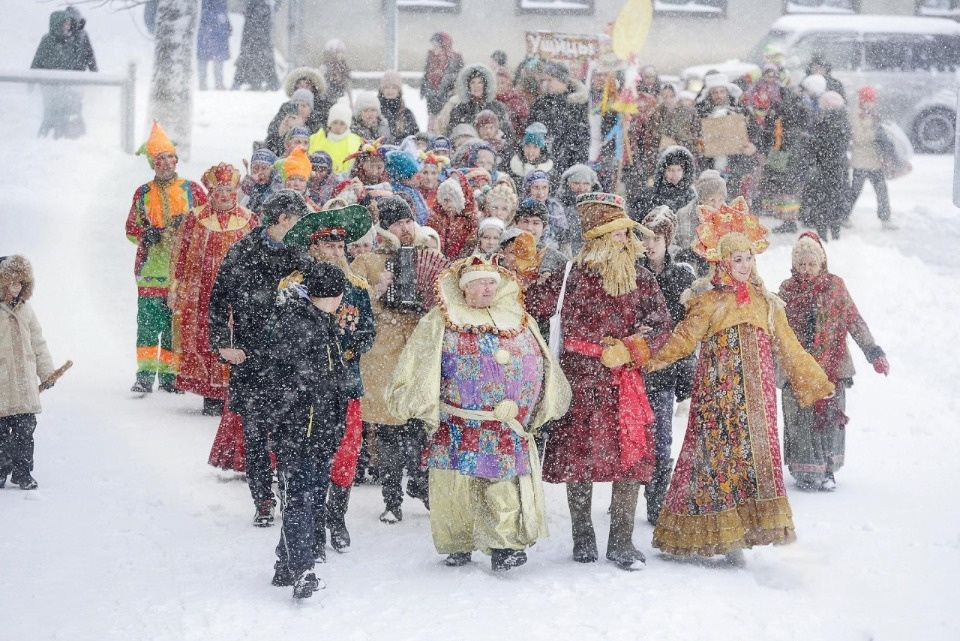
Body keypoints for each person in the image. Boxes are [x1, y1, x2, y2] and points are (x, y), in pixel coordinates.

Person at [644, 198, 833, 565]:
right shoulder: (709, 302)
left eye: (748, 258)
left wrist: (815, 381)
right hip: (718, 398)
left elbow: (790, 348)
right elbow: (682, 340)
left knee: (751, 462)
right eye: (737, 259)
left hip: (758, 402)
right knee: (716, 461)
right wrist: (648, 360)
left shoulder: (767, 303)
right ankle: (718, 535)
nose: (745, 265)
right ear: (723, 263)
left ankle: (743, 532)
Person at [386, 255, 571, 570]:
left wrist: (536, 405)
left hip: (503, 425)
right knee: (457, 485)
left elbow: (542, 361)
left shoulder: (518, 318)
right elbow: (418, 363)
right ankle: (459, 543)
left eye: (491, 283)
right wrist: (415, 404)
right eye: (480, 283)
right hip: (458, 422)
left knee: (502, 484)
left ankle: (504, 545)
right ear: (465, 288)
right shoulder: (440, 320)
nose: (488, 288)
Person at [525, 193, 672, 571]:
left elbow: (661, 326)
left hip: (623, 382)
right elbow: (531, 304)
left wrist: (631, 348)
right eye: (619, 233)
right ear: (599, 239)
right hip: (580, 381)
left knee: (630, 461)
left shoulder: (641, 278)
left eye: (627, 233)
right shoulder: (571, 277)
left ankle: (621, 541)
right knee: (580, 461)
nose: (628, 240)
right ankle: (583, 536)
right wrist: (523, 273)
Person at [208, 190, 313, 526]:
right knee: (255, 435)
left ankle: (289, 496)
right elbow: (218, 300)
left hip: (293, 358)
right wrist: (223, 344)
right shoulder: (243, 250)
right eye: (298, 219)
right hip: (251, 357)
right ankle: (263, 500)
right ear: (283, 219)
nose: (301, 226)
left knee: (290, 435)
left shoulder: (302, 251)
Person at [284, 204, 376, 554]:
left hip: (346, 383)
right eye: (329, 245)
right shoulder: (295, 286)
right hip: (307, 386)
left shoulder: (357, 287)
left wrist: (346, 347)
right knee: (307, 453)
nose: (337, 252)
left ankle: (337, 517)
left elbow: (368, 331)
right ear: (314, 248)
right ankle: (306, 520)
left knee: (345, 454)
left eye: (341, 246)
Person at [262, 261, 348, 600]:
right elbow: (284, 382)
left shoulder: (322, 323)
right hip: (298, 431)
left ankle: (286, 563)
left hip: (320, 429)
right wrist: (288, 420)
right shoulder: (297, 324)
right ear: (331, 295)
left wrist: (334, 422)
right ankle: (302, 568)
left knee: (309, 496)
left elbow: (333, 381)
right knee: (299, 498)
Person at [350, 197, 439, 523]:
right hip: (382, 355)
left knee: (417, 426)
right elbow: (349, 307)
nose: (404, 228)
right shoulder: (367, 261)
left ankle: (418, 482)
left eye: (408, 221)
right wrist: (376, 291)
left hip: (416, 352)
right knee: (388, 429)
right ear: (385, 228)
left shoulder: (427, 256)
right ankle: (392, 499)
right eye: (397, 223)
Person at [779, 232, 889, 491]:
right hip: (798, 369)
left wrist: (873, 351)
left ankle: (827, 470)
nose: (806, 269)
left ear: (822, 263)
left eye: (811, 263)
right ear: (794, 264)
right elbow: (776, 328)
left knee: (828, 420)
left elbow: (854, 321)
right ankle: (806, 472)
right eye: (801, 264)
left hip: (832, 366)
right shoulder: (786, 291)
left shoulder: (835, 287)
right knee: (801, 421)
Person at [126, 122, 208, 394]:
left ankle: (171, 377)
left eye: (169, 157)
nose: (165, 163)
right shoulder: (143, 193)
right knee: (148, 327)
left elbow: (206, 222)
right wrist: (145, 234)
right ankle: (145, 376)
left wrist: (187, 226)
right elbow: (130, 228)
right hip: (151, 271)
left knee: (176, 327)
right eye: (159, 159)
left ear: (176, 159)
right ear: (153, 164)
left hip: (182, 272)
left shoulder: (192, 190)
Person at [168, 163, 256, 416]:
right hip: (201, 291)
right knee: (205, 336)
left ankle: (234, 392)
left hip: (238, 293)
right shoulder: (194, 219)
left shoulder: (249, 219)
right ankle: (211, 394)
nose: (225, 196)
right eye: (220, 191)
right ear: (211, 193)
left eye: (229, 190)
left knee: (237, 334)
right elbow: (180, 254)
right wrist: (175, 287)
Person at [637, 207, 696, 524]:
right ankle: (628, 493)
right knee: (632, 435)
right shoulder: (631, 271)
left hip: (665, 369)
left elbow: (689, 326)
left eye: (656, 238)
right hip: (635, 365)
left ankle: (657, 498)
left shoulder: (682, 275)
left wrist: (682, 361)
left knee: (661, 436)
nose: (650, 245)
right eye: (646, 238)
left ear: (667, 240)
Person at [0, 255, 56, 491]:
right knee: (2, 433)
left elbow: (38, 343)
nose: (16, 288)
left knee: (25, 431)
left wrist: (46, 372)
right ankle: (1, 471)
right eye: (12, 283)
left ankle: (23, 473)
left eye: (20, 283)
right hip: (3, 384)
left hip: (24, 383)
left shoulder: (26, 310)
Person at [31, 7, 97, 139]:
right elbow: (38, 61)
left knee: (71, 109)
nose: (70, 26)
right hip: (52, 84)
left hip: (73, 82)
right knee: (52, 110)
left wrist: (95, 77)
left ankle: (71, 134)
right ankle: (48, 133)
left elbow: (88, 56)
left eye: (71, 23)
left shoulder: (76, 38)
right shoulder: (50, 40)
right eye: (67, 23)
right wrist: (31, 81)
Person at [527, 61, 590, 177]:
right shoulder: (541, 103)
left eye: (550, 80)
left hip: (569, 161)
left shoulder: (577, 103)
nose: (546, 84)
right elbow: (531, 131)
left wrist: (576, 164)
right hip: (544, 164)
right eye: (543, 80)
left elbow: (583, 137)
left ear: (561, 80)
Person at [849, 86, 896, 231]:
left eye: (873, 101)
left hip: (875, 160)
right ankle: (843, 215)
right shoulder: (856, 115)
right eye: (869, 100)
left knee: (882, 191)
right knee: (855, 191)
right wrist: (875, 133)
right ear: (863, 101)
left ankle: (885, 219)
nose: (872, 104)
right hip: (861, 161)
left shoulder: (874, 114)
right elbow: (858, 138)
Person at [809, 91, 850, 241]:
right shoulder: (844, 122)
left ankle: (822, 235)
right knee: (837, 200)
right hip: (840, 168)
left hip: (823, 168)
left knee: (822, 202)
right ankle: (836, 233)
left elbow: (816, 146)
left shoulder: (822, 122)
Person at [632, 146, 696, 222]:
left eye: (679, 170)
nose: (675, 174)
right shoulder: (649, 195)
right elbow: (637, 221)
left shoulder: (690, 195)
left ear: (685, 172)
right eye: (670, 170)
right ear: (663, 172)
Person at [231, 0, 279, 91]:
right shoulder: (257, 7)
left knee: (257, 54)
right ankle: (259, 82)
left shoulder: (261, 7)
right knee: (254, 53)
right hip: (255, 25)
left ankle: (266, 82)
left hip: (258, 26)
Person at [421, 32, 463, 134]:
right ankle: (431, 137)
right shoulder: (431, 56)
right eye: (433, 44)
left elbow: (459, 75)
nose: (435, 47)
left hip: (447, 95)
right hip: (432, 95)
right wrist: (425, 89)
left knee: (445, 119)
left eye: (436, 44)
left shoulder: (455, 57)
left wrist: (446, 80)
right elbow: (426, 73)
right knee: (432, 120)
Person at [427, 174, 477, 259]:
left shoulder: (468, 220)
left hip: (462, 261)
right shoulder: (435, 217)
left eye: (452, 200)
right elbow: (430, 239)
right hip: (438, 260)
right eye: (445, 200)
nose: (448, 204)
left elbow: (471, 243)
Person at [308, 104, 364, 177]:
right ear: (330, 124)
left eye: (342, 123)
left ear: (347, 125)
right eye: (335, 122)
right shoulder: (316, 139)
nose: (338, 126)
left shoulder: (355, 141)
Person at [282, 66, 332, 134]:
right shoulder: (286, 107)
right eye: (300, 84)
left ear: (314, 86)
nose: (304, 86)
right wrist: (284, 130)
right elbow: (273, 133)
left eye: (308, 83)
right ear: (295, 86)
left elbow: (331, 130)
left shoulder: (324, 106)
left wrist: (306, 124)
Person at [197, 0, 231, 91]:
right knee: (205, 59)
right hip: (208, 31)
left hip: (217, 32)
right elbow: (203, 11)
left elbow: (223, 11)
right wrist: (217, 17)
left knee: (217, 59)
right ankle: (203, 83)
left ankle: (217, 83)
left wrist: (227, 25)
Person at [379, 71, 420, 145]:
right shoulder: (376, 111)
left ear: (399, 91)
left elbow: (415, 137)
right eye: (387, 87)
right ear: (382, 90)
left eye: (394, 88)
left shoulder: (407, 113)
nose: (390, 91)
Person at [239, 148, 281, 215]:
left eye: (264, 168)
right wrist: (250, 182)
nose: (259, 172)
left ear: (272, 171)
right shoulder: (251, 187)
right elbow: (244, 191)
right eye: (256, 168)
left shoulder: (278, 187)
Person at [322, 39, 352, 106]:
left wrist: (351, 102)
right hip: (327, 100)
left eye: (342, 52)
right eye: (338, 52)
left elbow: (348, 86)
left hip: (341, 99)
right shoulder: (325, 68)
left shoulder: (344, 67)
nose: (340, 55)